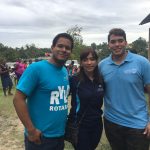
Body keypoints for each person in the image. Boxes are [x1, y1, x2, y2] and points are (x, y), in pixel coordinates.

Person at [13, 33, 74, 150]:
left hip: (60, 135)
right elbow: (18, 99)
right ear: (52, 48)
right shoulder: (36, 69)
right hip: (40, 137)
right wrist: (31, 130)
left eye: (67, 48)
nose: (63, 50)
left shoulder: (64, 71)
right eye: (60, 46)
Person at [99, 28, 150, 150]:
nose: (117, 44)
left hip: (138, 125)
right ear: (108, 45)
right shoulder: (102, 66)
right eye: (113, 41)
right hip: (111, 122)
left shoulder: (142, 62)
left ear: (126, 43)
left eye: (120, 41)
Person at [68, 48, 104, 150]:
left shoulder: (101, 79)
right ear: (81, 62)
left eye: (92, 59)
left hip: (97, 124)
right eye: (85, 60)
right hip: (80, 125)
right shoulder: (74, 80)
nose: (89, 63)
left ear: (97, 61)